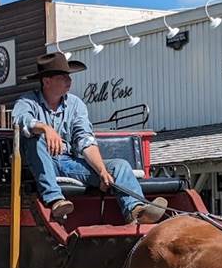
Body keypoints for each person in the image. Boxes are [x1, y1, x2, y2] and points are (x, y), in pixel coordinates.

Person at [12, 52, 166, 224]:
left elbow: (84, 140)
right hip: (39, 163)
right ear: (46, 81)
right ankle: (56, 200)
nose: (69, 81)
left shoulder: (76, 104)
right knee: (34, 137)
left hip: (68, 162)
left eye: (69, 76)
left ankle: (135, 211)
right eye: (63, 77)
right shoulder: (26, 102)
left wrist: (101, 171)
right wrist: (45, 128)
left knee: (119, 166)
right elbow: (20, 120)